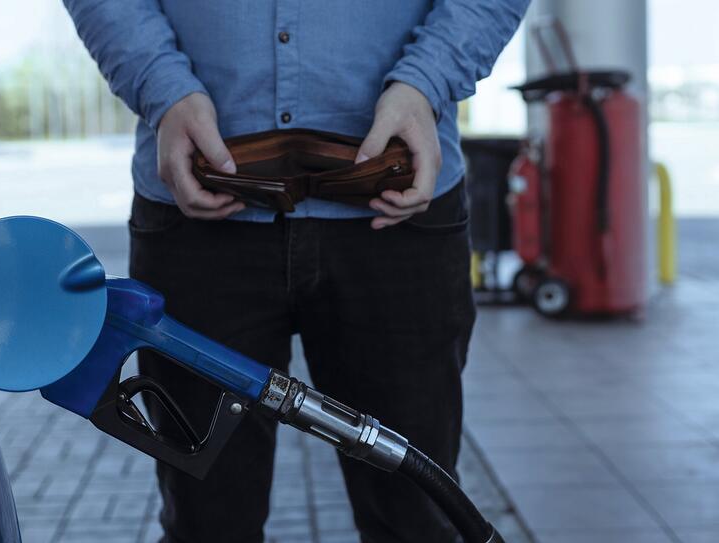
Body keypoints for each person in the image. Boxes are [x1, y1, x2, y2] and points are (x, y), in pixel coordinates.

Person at [62, 2, 529, 541]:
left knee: (415, 519)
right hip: (198, 209)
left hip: (397, 214)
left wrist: (426, 82)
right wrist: (163, 88)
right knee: (206, 523)